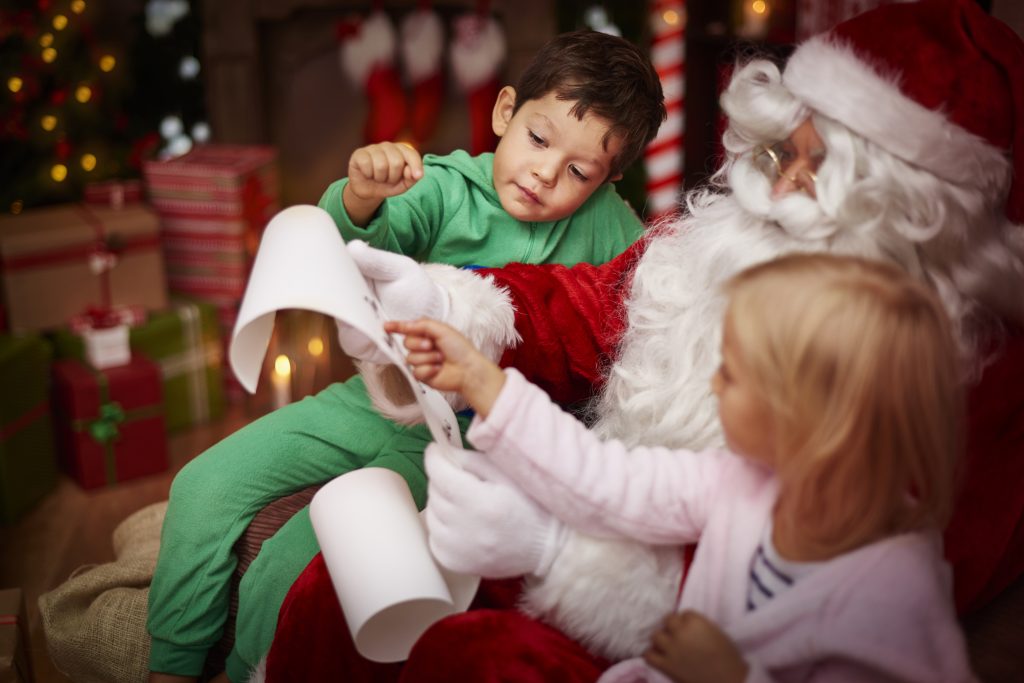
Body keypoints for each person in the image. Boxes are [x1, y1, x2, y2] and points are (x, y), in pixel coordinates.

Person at [260, 0, 1024, 679]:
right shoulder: (732, 279)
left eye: (816, 163)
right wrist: (450, 305)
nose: (779, 182)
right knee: (340, 590)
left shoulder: (937, 394)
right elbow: (603, 362)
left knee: (472, 657)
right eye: (781, 147)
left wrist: (556, 554)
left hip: (655, 615)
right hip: (591, 524)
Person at [146, 29, 666, 683]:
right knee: (203, 485)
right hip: (371, 400)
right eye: (539, 139)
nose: (544, 173)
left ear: (608, 178)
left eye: (579, 171)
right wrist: (362, 194)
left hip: (462, 447)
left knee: (299, 559)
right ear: (506, 111)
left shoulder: (611, 229)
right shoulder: (446, 187)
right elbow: (346, 238)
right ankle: (170, 665)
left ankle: (254, 667)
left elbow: (640, 308)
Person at [389, 250, 976, 682]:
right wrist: (484, 383)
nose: (714, 381)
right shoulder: (741, 484)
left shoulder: (895, 594)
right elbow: (605, 481)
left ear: (808, 417)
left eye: (735, 372)